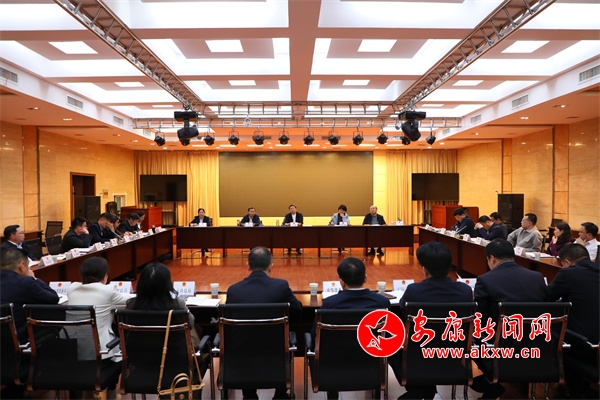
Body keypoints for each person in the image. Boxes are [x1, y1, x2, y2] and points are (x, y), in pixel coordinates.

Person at [388, 241, 473, 400]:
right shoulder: (465, 291)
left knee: (388, 341)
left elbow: (404, 313)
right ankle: (424, 389)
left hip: (419, 354)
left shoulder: (414, 290)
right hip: (452, 354)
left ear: (424, 268)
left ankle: (419, 388)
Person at [472, 238, 548, 399]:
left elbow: (480, 318)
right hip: (535, 340)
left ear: (492, 258)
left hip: (500, 343)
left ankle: (490, 378)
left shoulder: (485, 280)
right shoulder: (537, 277)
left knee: (469, 337)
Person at [226, 246, 302, 400]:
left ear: (248, 266)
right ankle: (280, 395)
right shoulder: (281, 286)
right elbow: (298, 310)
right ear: (271, 266)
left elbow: (228, 322)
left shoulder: (233, 290)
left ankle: (249, 395)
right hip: (275, 349)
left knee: (247, 341)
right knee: (282, 340)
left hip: (242, 351)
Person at [315, 257, 390, 400]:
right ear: (365, 278)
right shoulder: (382, 303)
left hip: (335, 362)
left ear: (341, 282)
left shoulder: (330, 304)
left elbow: (316, 335)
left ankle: (332, 392)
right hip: (370, 361)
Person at [551, 244, 600, 398]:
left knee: (552, 333)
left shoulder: (568, 273)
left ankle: (570, 386)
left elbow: (548, 296)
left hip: (586, 346)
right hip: (596, 343)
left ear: (567, 262)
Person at [67, 257, 132, 358]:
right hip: (102, 352)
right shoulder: (108, 291)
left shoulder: (72, 289)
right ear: (105, 275)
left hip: (71, 351)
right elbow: (131, 301)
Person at [126, 262, 200, 348]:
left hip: (139, 354)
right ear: (168, 284)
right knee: (194, 328)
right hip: (173, 353)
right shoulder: (178, 305)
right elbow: (190, 324)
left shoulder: (131, 305)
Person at [0, 248, 59, 343]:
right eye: (28, 266)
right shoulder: (25, 282)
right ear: (22, 265)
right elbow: (53, 298)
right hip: (18, 339)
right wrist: (34, 278)